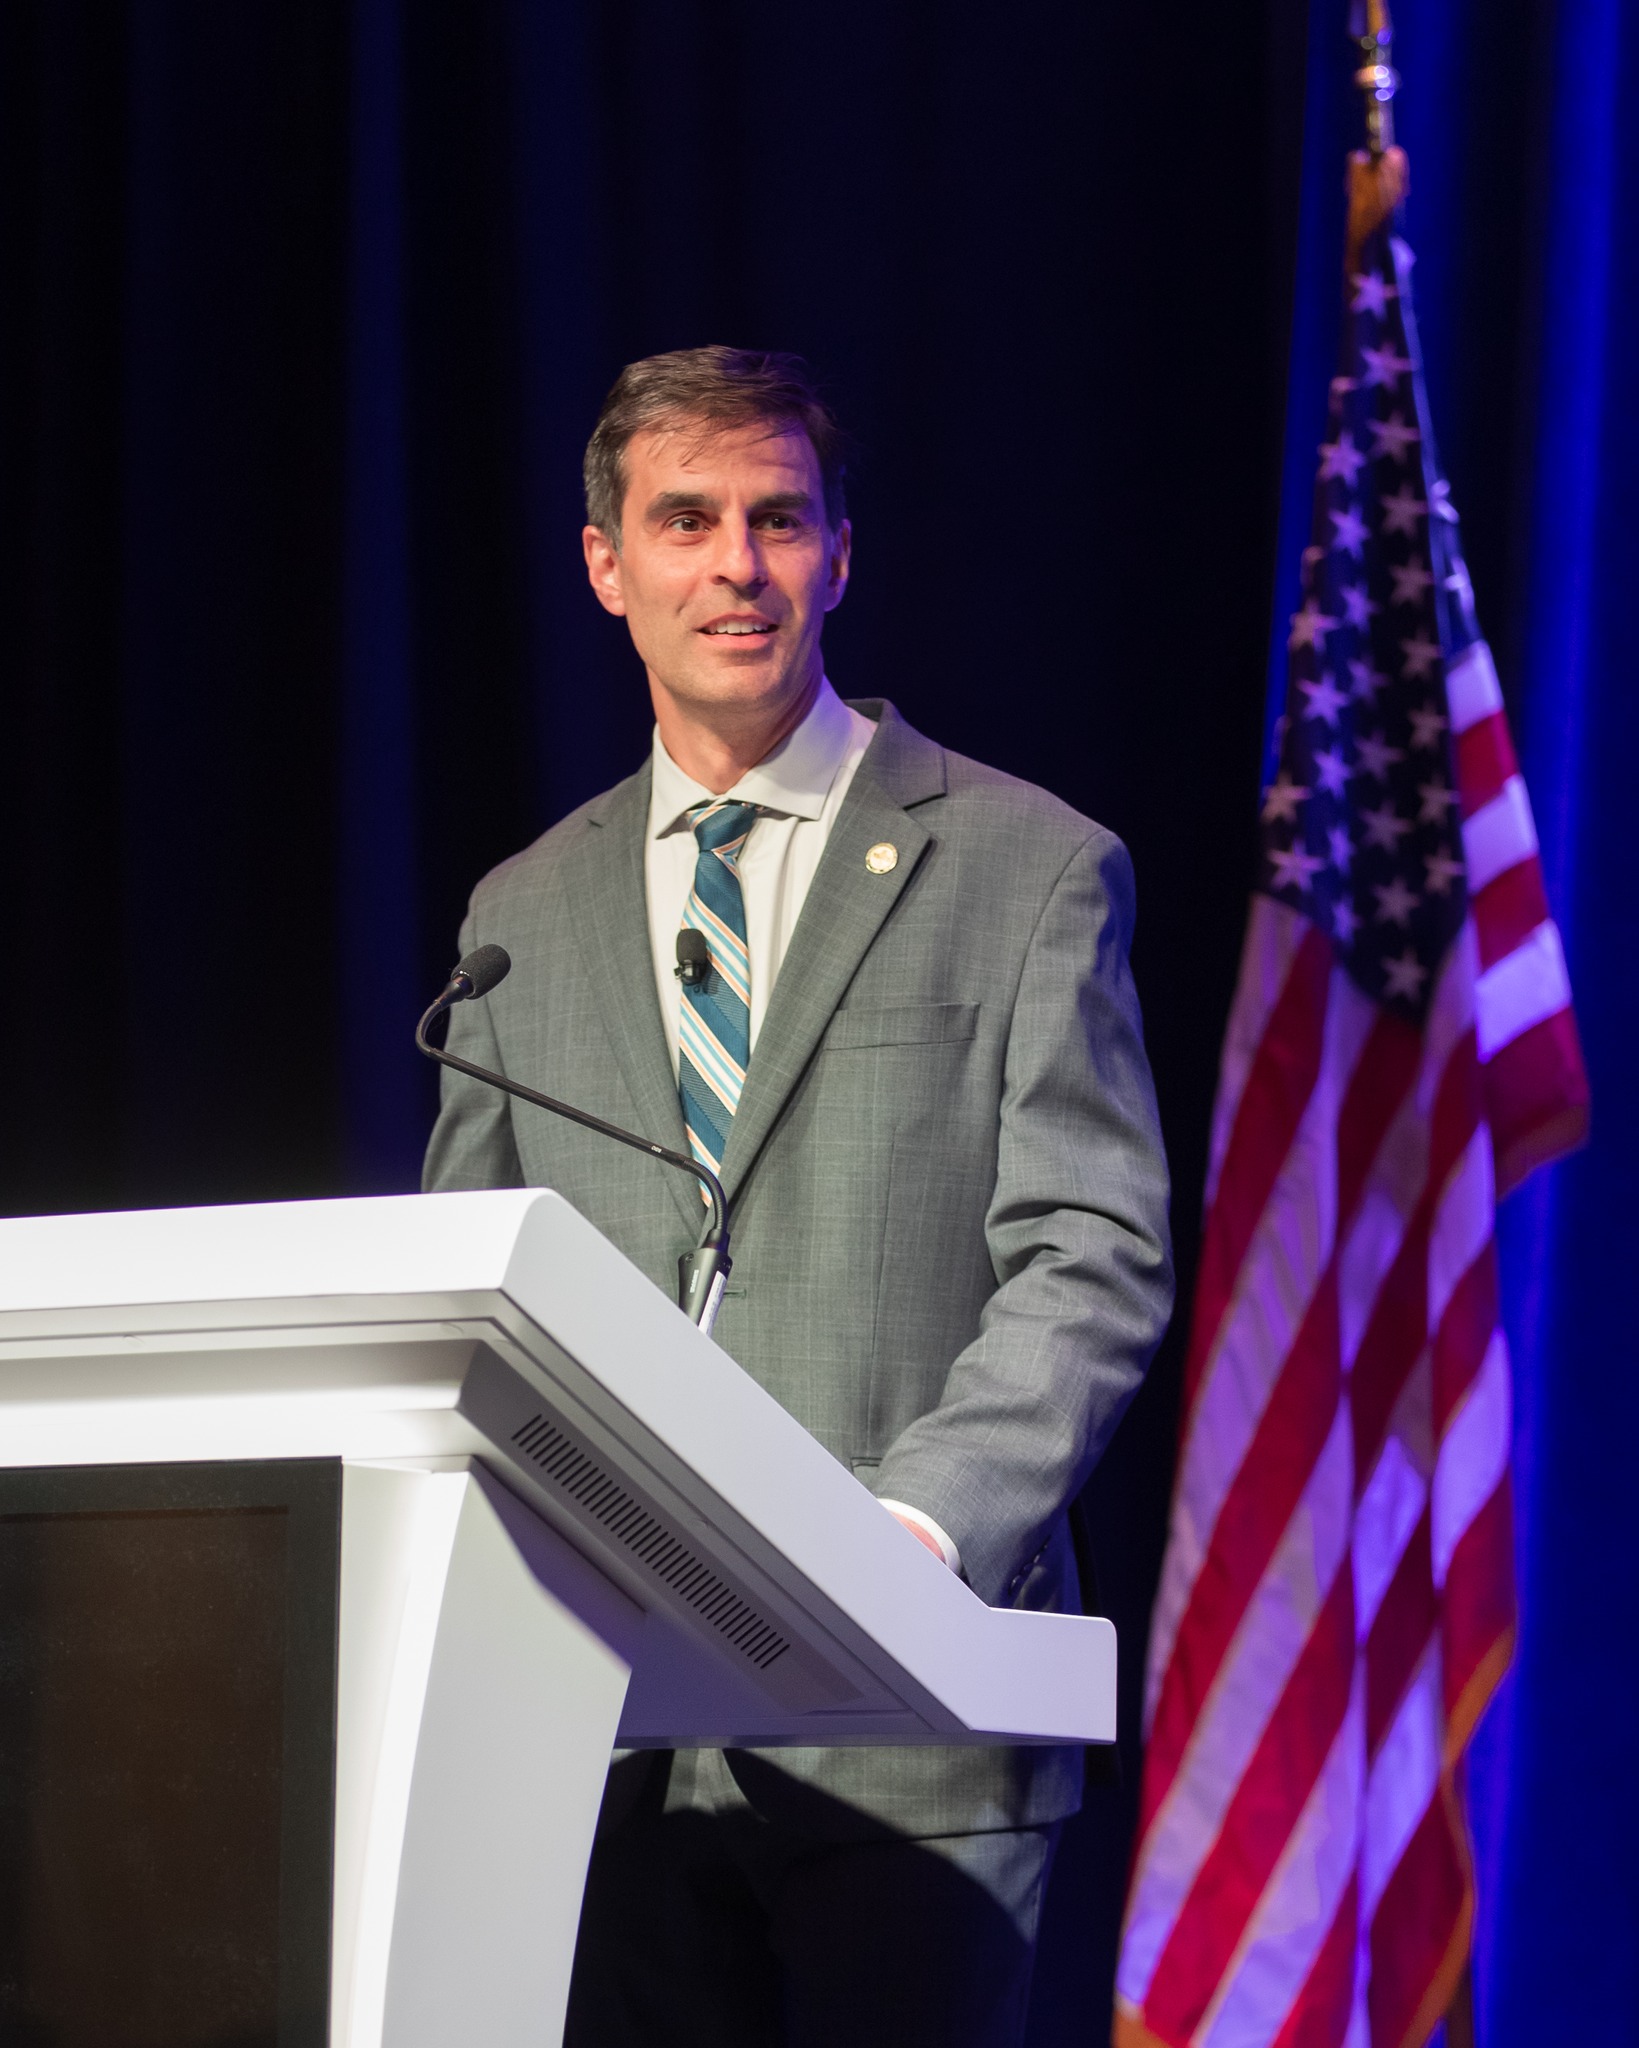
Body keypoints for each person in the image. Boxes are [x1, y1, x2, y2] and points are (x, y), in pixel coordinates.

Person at [422, 346, 1173, 2048]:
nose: (736, 567)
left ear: (842, 552)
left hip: (912, 1728)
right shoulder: (517, 914)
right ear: (608, 563)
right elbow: (476, 1301)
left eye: (777, 518)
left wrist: (908, 1539)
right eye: (685, 521)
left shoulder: (1029, 867)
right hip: (606, 1737)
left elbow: (1092, 1255)